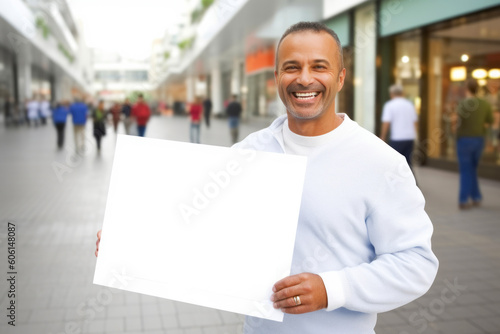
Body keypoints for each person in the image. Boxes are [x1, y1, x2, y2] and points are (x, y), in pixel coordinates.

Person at [96, 22, 438, 333]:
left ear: (341, 77)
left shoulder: (381, 163)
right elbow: (204, 226)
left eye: (319, 66)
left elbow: (415, 263)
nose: (305, 79)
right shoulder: (248, 152)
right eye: (292, 67)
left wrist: (332, 289)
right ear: (277, 76)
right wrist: (129, 244)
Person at [454, 79, 493, 209]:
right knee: (472, 169)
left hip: (464, 140)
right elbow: (489, 122)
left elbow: (456, 123)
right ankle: (476, 197)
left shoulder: (463, 104)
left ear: (466, 89)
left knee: (466, 170)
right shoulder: (485, 104)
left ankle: (463, 199)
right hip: (479, 139)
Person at [380, 84, 418, 168]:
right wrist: (416, 136)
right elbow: (415, 122)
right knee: (408, 164)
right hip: (409, 138)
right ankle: (411, 180)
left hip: (397, 138)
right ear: (402, 93)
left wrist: (383, 137)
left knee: (395, 164)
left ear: (391, 94)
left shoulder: (390, 105)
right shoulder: (409, 105)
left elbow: (386, 123)